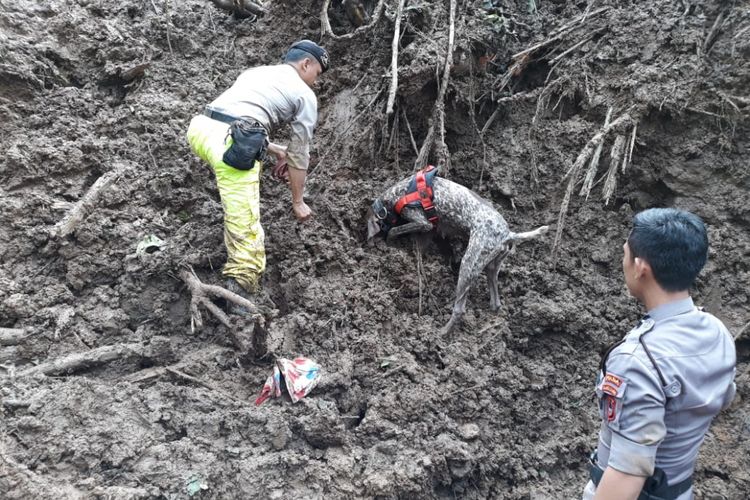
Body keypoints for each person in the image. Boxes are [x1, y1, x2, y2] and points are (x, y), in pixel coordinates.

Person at [583, 208, 736, 500]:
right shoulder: (717, 333)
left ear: (641, 267)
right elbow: (723, 397)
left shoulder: (636, 361)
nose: (622, 260)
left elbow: (627, 474)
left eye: (625, 253)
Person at [186, 40, 329, 296]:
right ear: (306, 64)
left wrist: (273, 149)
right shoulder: (305, 95)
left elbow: (239, 114)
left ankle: (232, 210)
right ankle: (240, 302)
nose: (315, 82)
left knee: (235, 190)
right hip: (231, 146)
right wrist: (298, 201)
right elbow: (300, 153)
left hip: (200, 129)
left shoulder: (256, 72)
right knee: (248, 239)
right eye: (316, 74)